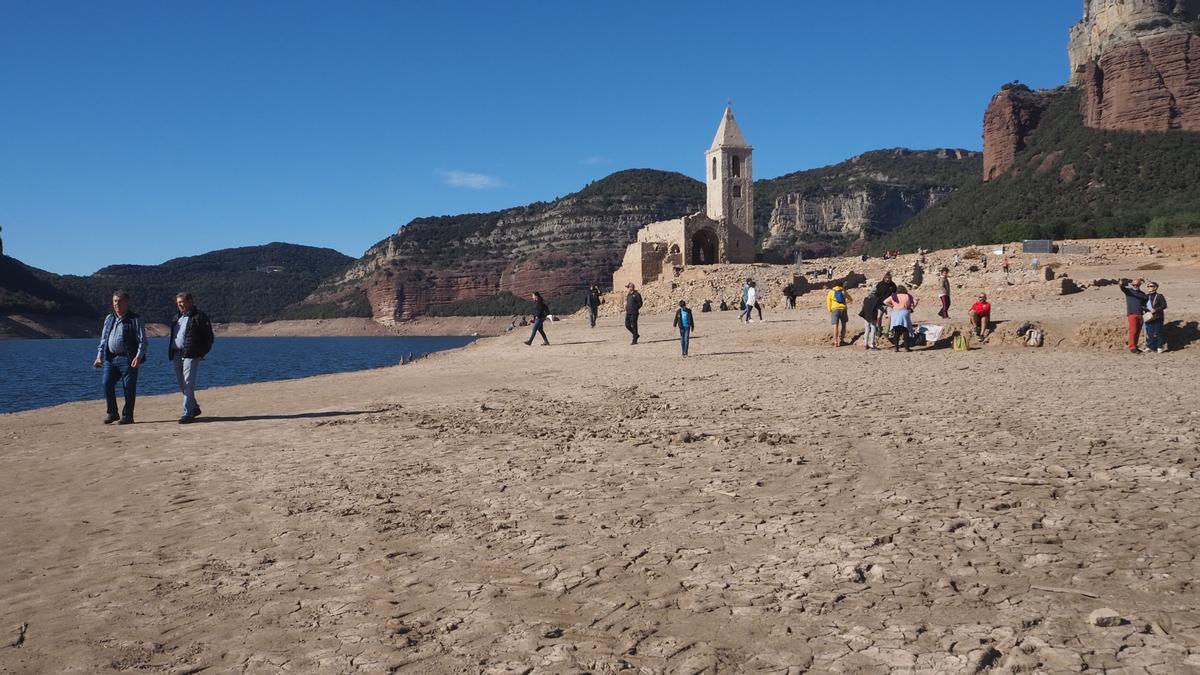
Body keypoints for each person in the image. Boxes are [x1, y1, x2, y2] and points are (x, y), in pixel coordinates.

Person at [93, 290, 147, 424]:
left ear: (127, 302)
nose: (117, 304)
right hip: (111, 359)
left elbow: (143, 341)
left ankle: (128, 416)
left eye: (120, 301)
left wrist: (138, 356)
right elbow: (104, 339)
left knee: (128, 387)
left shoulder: (135, 319)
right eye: (115, 301)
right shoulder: (109, 318)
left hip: (128, 358)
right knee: (106, 383)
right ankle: (112, 413)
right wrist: (99, 356)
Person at [168, 292, 215, 424]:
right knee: (182, 383)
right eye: (178, 303)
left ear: (190, 301)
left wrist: (201, 353)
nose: (180, 305)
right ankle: (194, 407)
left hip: (191, 354)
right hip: (176, 353)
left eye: (182, 302)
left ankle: (187, 413)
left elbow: (209, 338)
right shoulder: (176, 318)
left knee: (188, 383)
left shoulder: (199, 316)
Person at [883, 286, 917, 352]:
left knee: (897, 332)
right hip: (904, 312)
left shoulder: (894, 296)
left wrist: (892, 306)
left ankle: (896, 348)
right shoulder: (908, 296)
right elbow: (915, 302)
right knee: (905, 331)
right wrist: (912, 308)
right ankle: (906, 348)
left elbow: (885, 301)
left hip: (895, 314)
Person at [1119, 278, 1148, 354]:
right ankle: (1132, 347)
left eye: (1137, 284)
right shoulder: (1129, 291)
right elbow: (1122, 287)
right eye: (1134, 285)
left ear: (1140, 285)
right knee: (1133, 331)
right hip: (1132, 314)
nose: (1135, 286)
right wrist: (1122, 282)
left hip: (1141, 314)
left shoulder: (1142, 294)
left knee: (1138, 332)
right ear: (1132, 285)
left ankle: (1135, 346)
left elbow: (1145, 304)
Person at [1143, 281, 1168, 353]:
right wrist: (1146, 309)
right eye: (1148, 286)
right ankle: (1150, 346)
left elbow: (1164, 305)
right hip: (1148, 317)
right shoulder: (1146, 296)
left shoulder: (1159, 296)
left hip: (1158, 317)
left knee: (1158, 332)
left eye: (1151, 286)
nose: (1149, 287)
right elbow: (1143, 305)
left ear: (1155, 287)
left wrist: (1156, 310)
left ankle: (1159, 347)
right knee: (1149, 332)